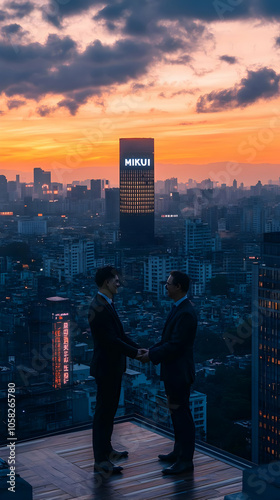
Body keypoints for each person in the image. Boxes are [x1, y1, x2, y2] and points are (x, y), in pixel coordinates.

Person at [88, 265, 144, 475]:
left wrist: (139, 350)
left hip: (111, 367)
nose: (119, 283)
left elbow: (119, 335)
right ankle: (100, 460)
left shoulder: (106, 304)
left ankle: (107, 451)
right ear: (106, 283)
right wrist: (137, 354)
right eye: (116, 280)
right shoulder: (99, 307)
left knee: (108, 412)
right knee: (103, 414)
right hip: (106, 367)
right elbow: (112, 341)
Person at [141, 271, 197, 475]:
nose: (166, 286)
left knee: (182, 416)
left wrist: (151, 355)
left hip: (179, 373)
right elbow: (168, 341)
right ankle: (178, 452)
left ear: (178, 287)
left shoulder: (185, 313)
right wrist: (151, 351)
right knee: (177, 414)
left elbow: (175, 345)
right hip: (174, 372)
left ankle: (186, 460)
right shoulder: (179, 309)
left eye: (168, 284)